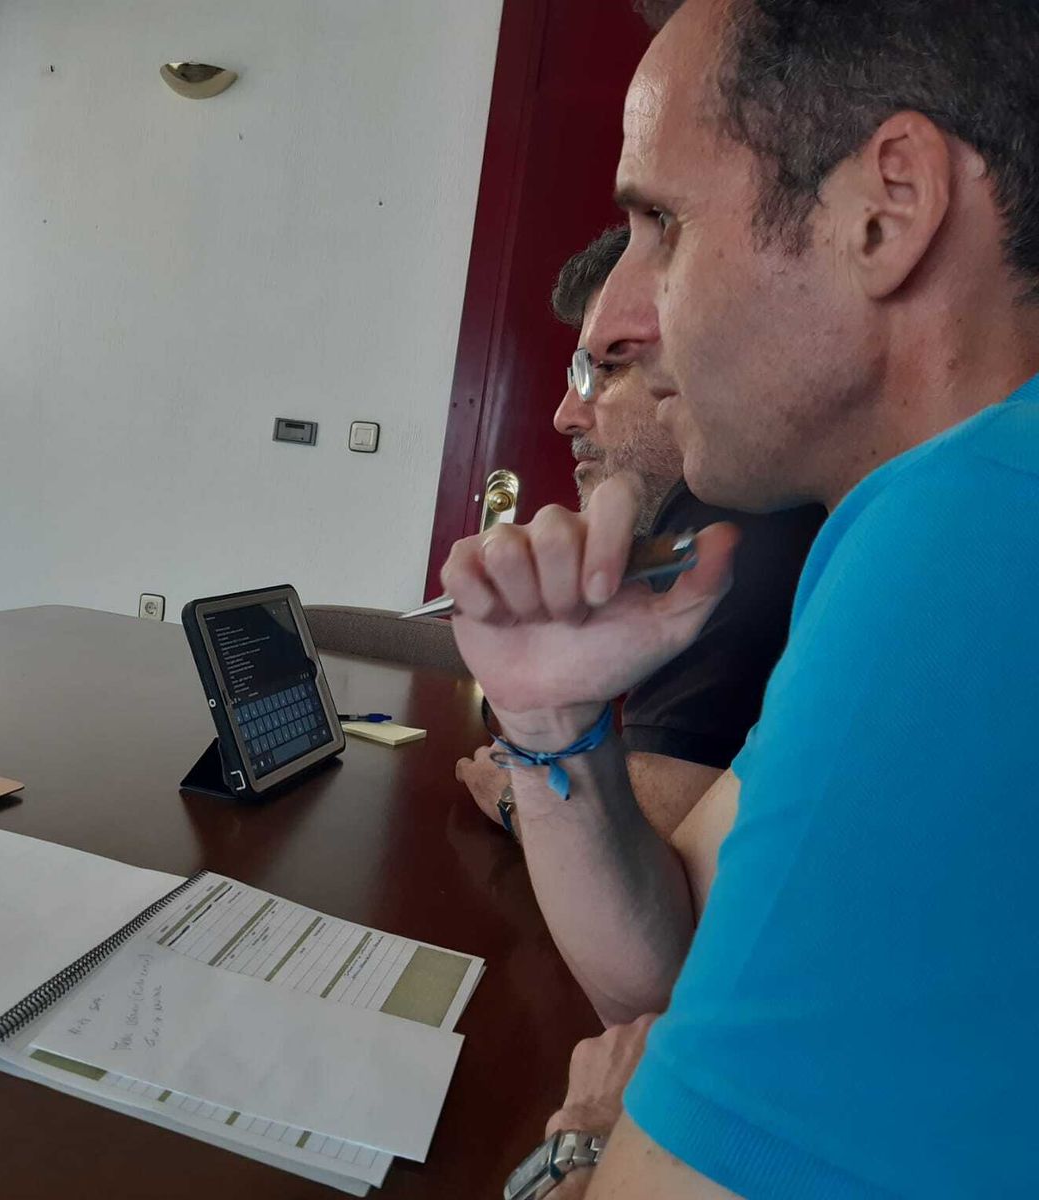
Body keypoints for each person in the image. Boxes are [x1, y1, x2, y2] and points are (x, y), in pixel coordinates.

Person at [443, 0, 1039, 1194]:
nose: (628, 311)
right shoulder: (917, 520)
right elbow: (666, 981)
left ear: (888, 210)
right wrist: (554, 727)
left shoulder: (971, 542)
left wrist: (575, 1152)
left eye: (661, 222)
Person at [455, 227, 823, 839]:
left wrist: (518, 798)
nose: (565, 414)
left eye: (612, 366)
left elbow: (662, 834)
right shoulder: (699, 526)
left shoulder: (732, 524)